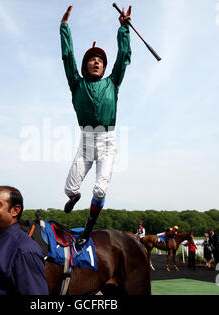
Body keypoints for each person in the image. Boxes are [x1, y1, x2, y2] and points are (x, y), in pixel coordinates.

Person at [60, 5, 132, 246]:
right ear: (85, 66)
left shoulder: (113, 83)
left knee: (100, 190)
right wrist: (64, 28)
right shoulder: (76, 84)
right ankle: (74, 197)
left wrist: (124, 29)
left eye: (100, 60)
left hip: (107, 141)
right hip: (86, 142)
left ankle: (88, 230)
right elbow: (68, 58)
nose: (96, 62)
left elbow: (123, 59)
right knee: (69, 190)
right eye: (92, 59)